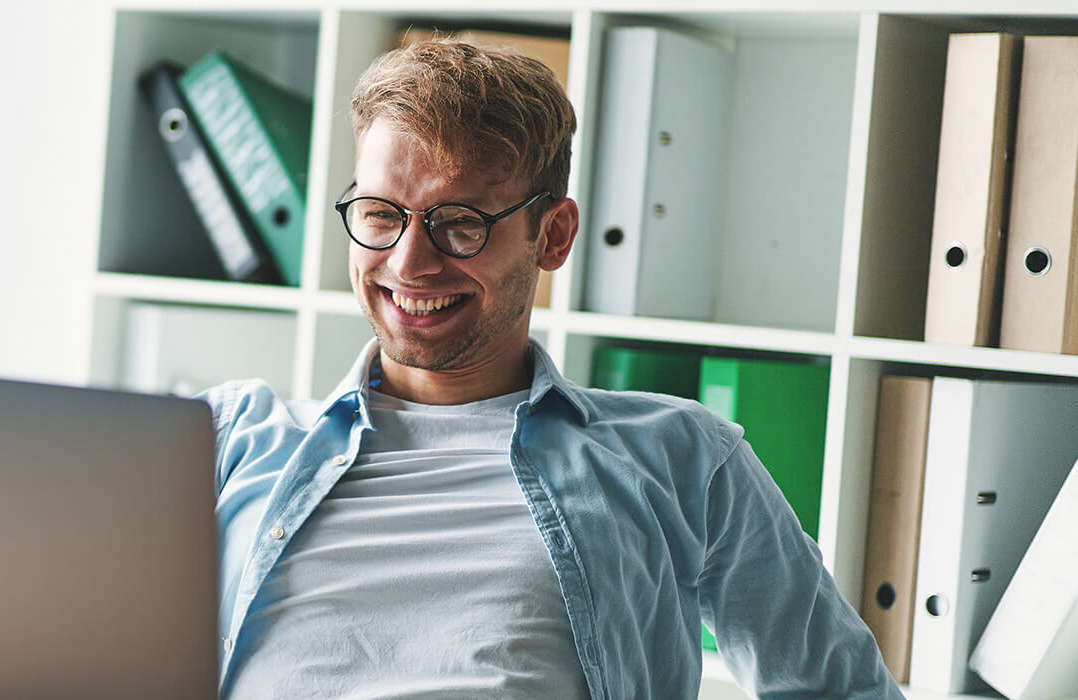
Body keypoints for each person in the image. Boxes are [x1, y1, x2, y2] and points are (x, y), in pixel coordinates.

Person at [202, 38, 900, 699]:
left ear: (553, 236)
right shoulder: (232, 440)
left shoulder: (681, 458)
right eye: (382, 215)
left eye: (460, 224)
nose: (409, 263)